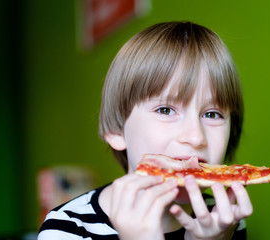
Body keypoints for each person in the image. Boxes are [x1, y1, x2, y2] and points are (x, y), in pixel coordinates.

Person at [38, 21, 253, 240]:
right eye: (166, 110)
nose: (196, 137)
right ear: (116, 130)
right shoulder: (67, 227)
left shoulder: (223, 218)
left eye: (212, 114)